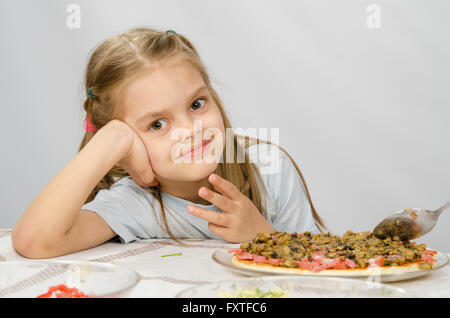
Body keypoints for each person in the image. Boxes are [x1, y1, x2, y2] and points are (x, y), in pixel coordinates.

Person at [12, 27, 326, 259]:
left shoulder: (268, 171)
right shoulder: (135, 204)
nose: (190, 130)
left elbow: (319, 270)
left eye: (197, 104)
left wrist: (262, 236)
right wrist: (112, 139)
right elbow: (33, 240)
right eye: (157, 124)